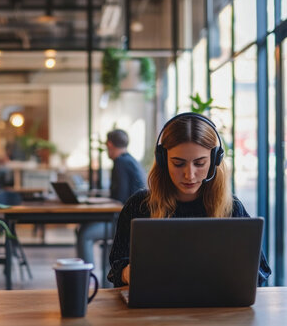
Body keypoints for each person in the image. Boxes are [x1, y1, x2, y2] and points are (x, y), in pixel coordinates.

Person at [107, 113, 271, 287]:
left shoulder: (230, 207)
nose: (189, 175)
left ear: (215, 160)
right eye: (178, 163)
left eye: (199, 163)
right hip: (154, 309)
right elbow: (116, 269)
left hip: (217, 308)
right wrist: (128, 273)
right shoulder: (139, 205)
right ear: (163, 160)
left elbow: (261, 271)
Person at [76, 129, 147, 264]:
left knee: (84, 234)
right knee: (84, 229)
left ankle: (88, 277)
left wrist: (99, 200)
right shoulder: (130, 160)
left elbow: (120, 198)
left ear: (109, 145)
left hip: (127, 223)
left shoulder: (120, 162)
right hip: (136, 220)